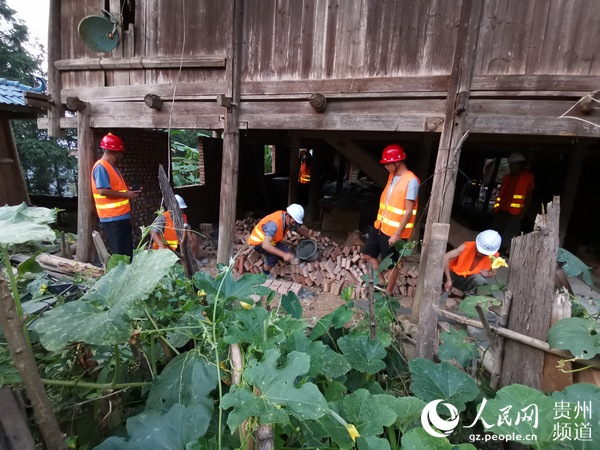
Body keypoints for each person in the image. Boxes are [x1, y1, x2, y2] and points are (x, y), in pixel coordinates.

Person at [361, 143, 419, 295]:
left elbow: (408, 212)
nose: (385, 166)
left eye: (388, 163)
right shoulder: (391, 176)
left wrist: (397, 234)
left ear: (398, 162)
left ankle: (388, 292)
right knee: (367, 255)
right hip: (380, 226)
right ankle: (381, 282)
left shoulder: (411, 180)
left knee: (391, 265)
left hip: (394, 232)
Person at [91, 133, 141, 259]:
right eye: (120, 152)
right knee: (120, 252)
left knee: (126, 250)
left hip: (120, 216)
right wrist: (126, 194)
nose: (122, 155)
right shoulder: (101, 167)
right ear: (115, 151)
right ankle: (120, 276)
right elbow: (102, 191)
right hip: (112, 217)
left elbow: (113, 189)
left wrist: (128, 190)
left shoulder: (111, 167)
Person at [248, 203, 311, 277]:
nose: (294, 224)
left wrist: (309, 237)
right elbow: (265, 245)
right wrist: (283, 255)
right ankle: (265, 274)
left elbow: (296, 228)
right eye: (294, 222)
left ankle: (272, 260)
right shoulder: (274, 225)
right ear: (288, 216)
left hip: (271, 241)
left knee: (287, 251)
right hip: (258, 242)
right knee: (274, 255)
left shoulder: (286, 218)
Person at [492, 152, 535, 255]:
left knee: (509, 233)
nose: (511, 167)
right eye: (510, 165)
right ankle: (493, 249)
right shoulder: (507, 177)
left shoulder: (528, 177)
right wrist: (495, 208)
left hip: (515, 212)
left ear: (520, 164)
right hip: (502, 209)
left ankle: (502, 252)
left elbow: (529, 195)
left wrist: (524, 211)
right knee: (497, 230)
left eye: (513, 165)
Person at [443, 229, 502, 296]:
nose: (479, 254)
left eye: (484, 253)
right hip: (453, 276)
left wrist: (489, 274)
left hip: (467, 283)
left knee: (479, 280)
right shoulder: (466, 246)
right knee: (440, 266)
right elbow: (445, 257)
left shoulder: (494, 257)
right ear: (476, 243)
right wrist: (448, 279)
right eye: (478, 250)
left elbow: (493, 272)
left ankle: (467, 298)